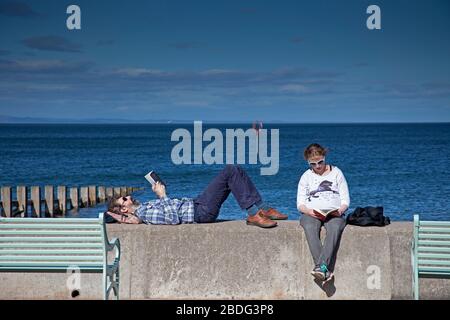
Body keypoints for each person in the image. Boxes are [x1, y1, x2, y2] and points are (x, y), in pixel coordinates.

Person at [106, 164, 288, 228]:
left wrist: (162, 195)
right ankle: (254, 214)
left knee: (235, 170)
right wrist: (163, 196)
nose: (128, 197)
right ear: (124, 208)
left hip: (197, 204)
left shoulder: (144, 206)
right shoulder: (143, 213)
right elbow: (171, 219)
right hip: (200, 212)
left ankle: (261, 210)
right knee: (230, 171)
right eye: (124, 199)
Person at [297, 143, 349, 283]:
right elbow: (300, 204)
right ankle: (324, 269)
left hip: (335, 213)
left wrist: (339, 211)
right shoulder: (306, 177)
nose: (318, 166)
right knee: (309, 227)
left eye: (320, 162)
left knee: (334, 228)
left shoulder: (337, 172)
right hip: (311, 213)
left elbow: (345, 200)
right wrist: (309, 211)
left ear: (324, 158)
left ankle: (321, 268)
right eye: (313, 164)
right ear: (308, 163)